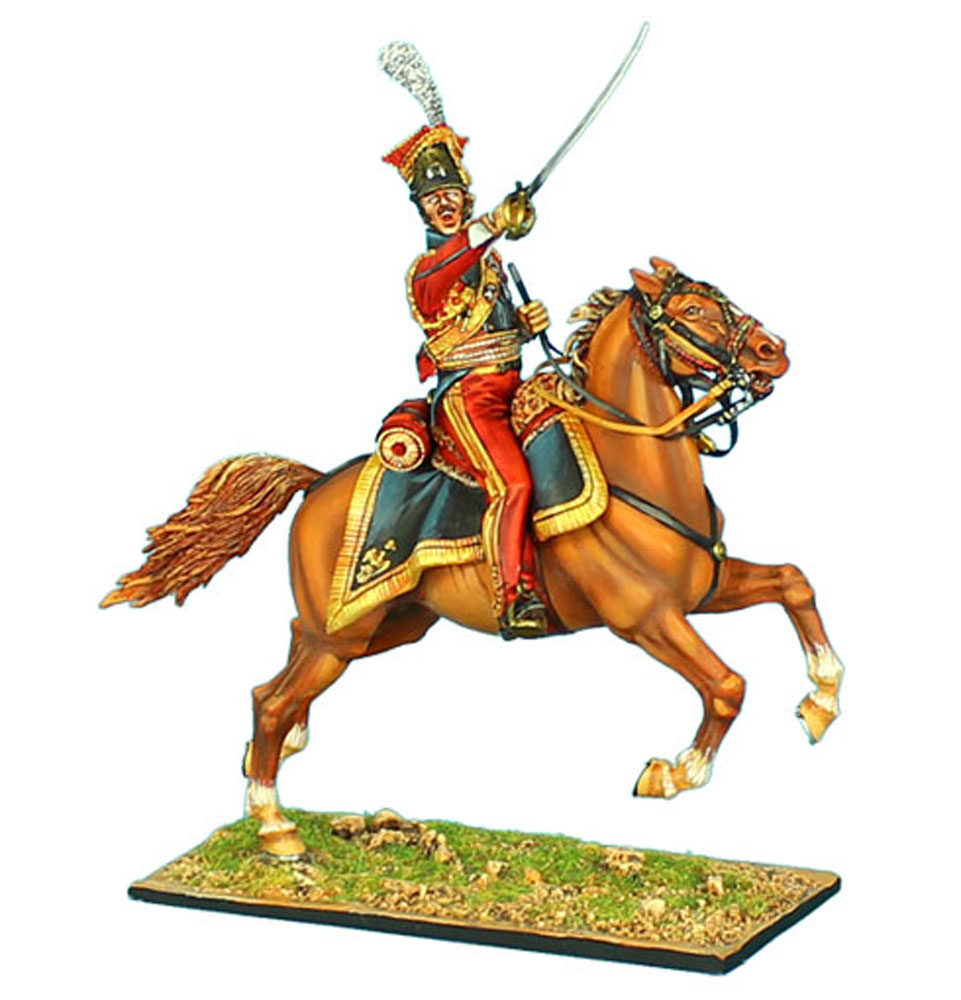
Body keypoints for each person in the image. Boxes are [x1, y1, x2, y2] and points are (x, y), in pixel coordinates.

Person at [383, 122, 550, 639]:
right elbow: (457, 258)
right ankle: (515, 595)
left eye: (451, 193)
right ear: (422, 209)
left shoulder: (489, 263)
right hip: (469, 398)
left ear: (465, 196)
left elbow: (492, 329)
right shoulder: (428, 270)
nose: (443, 204)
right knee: (512, 484)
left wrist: (524, 327)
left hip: (513, 385)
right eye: (432, 199)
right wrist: (495, 221)